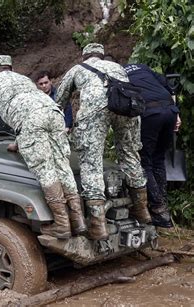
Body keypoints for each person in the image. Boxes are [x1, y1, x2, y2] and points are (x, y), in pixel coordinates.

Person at [0, 55, 87, 239]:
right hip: (54, 112)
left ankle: (61, 225)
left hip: (31, 121)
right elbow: (29, 108)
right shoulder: (25, 80)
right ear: (11, 68)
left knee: (45, 170)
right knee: (62, 164)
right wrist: (18, 142)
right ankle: (78, 221)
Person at [56, 43, 151, 240]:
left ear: (84, 57)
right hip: (126, 107)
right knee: (130, 155)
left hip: (95, 110)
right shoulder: (117, 67)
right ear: (101, 55)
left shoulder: (77, 69)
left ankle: (98, 226)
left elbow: (59, 100)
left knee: (91, 162)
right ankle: (142, 210)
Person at [124, 63, 180, 228]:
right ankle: (163, 207)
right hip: (170, 110)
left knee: (145, 161)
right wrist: (176, 114)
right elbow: (167, 86)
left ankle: (157, 208)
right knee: (159, 158)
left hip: (150, 113)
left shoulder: (118, 73)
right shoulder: (142, 67)